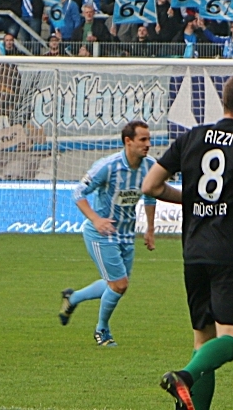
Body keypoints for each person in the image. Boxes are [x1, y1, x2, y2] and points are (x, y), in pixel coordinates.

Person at [142, 72, 233, 410]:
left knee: (203, 341)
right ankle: (185, 376)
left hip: (194, 251)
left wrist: (193, 199)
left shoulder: (192, 136)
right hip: (231, 252)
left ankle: (190, 389)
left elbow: (150, 186)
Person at [58, 120, 157, 346]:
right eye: (143, 139)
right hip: (101, 233)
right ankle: (102, 331)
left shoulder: (150, 166)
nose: (148, 144)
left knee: (115, 284)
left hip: (126, 234)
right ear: (128, 141)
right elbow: (78, 193)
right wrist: (96, 219)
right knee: (119, 284)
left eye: (149, 139)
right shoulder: (108, 166)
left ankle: (72, 299)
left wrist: (149, 229)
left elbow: (151, 195)